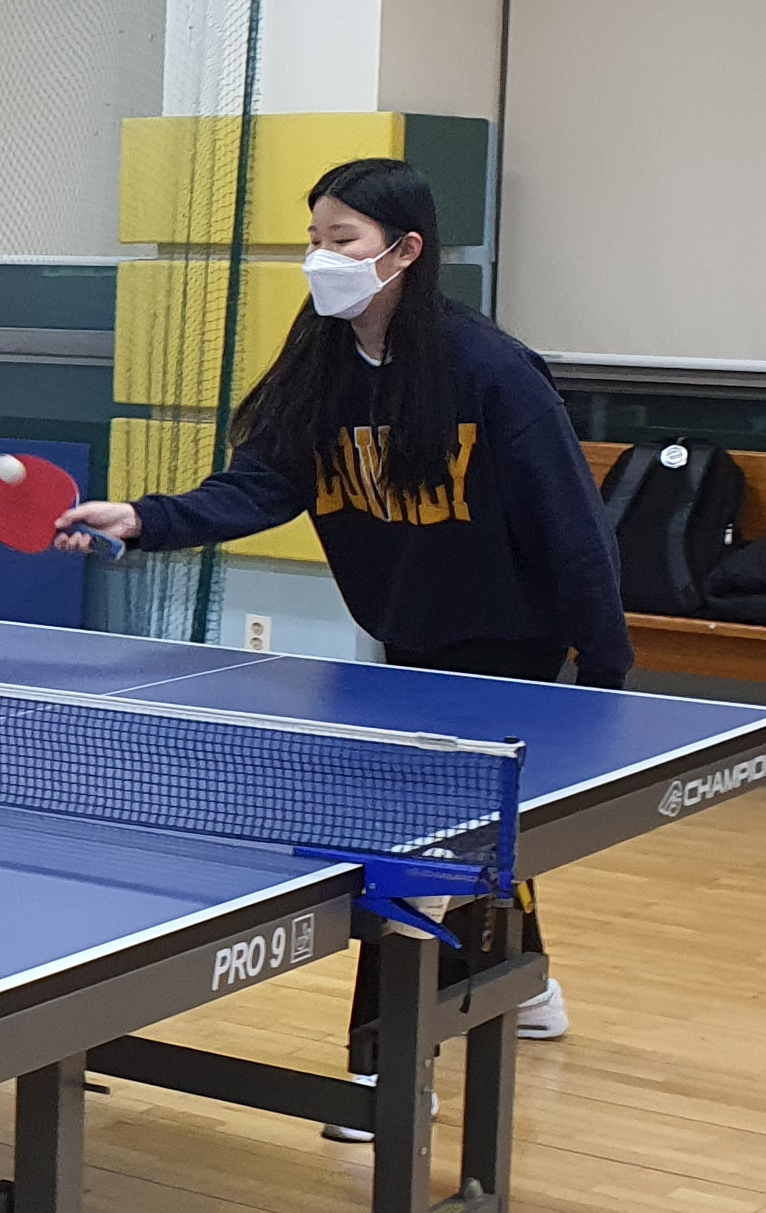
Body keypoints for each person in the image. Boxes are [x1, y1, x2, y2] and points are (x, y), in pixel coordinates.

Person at [61, 154, 625, 1101]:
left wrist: (605, 676)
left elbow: (573, 528)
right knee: (471, 834)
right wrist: (144, 519)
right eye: (314, 238)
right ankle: (525, 986)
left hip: (507, 645)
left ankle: (385, 1073)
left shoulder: (492, 371)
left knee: (414, 853)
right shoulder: (321, 364)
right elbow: (260, 486)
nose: (321, 258)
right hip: (406, 638)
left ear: (404, 252)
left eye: (343, 239)